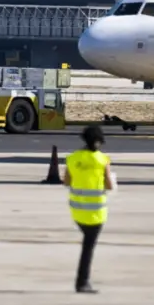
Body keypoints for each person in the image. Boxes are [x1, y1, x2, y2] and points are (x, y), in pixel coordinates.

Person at [62, 125, 116, 293]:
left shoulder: (72, 158)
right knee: (88, 248)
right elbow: (109, 184)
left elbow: (66, 182)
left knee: (87, 245)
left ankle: (82, 280)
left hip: (77, 211)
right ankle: (82, 281)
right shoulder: (102, 160)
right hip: (96, 213)